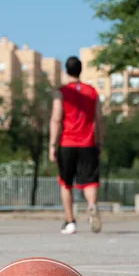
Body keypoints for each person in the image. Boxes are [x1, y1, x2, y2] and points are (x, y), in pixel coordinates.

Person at [49, 56, 104, 234]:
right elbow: (99, 119)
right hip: (88, 143)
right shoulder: (92, 92)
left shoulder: (61, 92)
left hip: (67, 143)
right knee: (90, 181)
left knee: (66, 183)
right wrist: (100, 141)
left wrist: (52, 144)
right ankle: (92, 206)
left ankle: (70, 221)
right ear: (81, 70)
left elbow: (56, 119)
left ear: (66, 70)